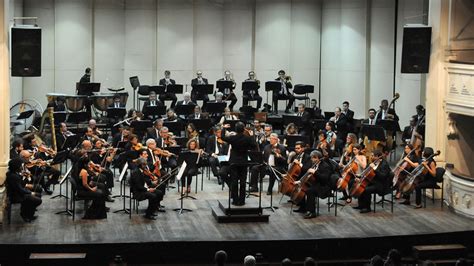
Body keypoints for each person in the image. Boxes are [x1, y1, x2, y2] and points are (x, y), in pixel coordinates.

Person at [220, 122, 257, 206]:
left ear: (236, 130)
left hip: (234, 162)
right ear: (244, 129)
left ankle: (235, 200)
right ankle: (242, 200)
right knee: (243, 182)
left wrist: (223, 128)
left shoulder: (233, 138)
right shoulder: (247, 138)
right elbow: (254, 146)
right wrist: (251, 136)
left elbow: (222, 137)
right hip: (243, 162)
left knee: (234, 181)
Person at [293, 150, 333, 219]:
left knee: (309, 191)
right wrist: (300, 181)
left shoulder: (325, 166)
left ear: (318, 158)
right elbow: (307, 176)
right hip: (316, 184)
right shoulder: (314, 164)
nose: (312, 159)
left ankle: (312, 212)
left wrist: (315, 172)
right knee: (304, 188)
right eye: (311, 158)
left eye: (313, 158)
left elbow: (325, 179)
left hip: (324, 186)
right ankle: (303, 207)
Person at [6, 158, 42, 222]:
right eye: (21, 165)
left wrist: (24, 177)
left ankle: (28, 213)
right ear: (16, 166)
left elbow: (21, 184)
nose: (22, 167)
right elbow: (20, 190)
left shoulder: (13, 173)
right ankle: (25, 214)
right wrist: (30, 193)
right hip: (15, 196)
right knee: (38, 200)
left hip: (18, 193)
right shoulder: (14, 176)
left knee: (38, 195)